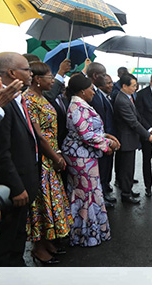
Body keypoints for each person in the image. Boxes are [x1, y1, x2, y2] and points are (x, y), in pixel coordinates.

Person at [23, 62, 74, 264]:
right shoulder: (29, 99)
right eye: (50, 77)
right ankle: (38, 248)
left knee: (51, 202)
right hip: (42, 158)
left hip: (51, 156)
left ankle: (48, 241)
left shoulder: (41, 96)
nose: (53, 80)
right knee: (41, 203)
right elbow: (38, 135)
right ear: (37, 79)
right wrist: (55, 156)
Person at [61, 73, 118, 247]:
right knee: (86, 194)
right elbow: (86, 134)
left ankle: (87, 233)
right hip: (80, 156)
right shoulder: (77, 107)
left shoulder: (81, 104)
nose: (93, 92)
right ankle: (85, 236)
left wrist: (105, 136)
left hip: (84, 155)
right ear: (82, 91)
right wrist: (108, 144)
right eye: (90, 89)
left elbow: (89, 130)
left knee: (88, 192)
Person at [0, 53, 40, 266]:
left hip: (25, 183)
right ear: (12, 73)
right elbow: (2, 152)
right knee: (8, 243)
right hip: (16, 189)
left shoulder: (17, 100)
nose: (31, 73)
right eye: (27, 69)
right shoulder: (2, 105)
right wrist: (16, 188)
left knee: (19, 236)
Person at [113, 73, 152, 204]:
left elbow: (138, 117)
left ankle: (128, 189)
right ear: (124, 86)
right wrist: (148, 136)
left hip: (130, 139)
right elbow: (133, 122)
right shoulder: (122, 101)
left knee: (128, 168)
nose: (135, 88)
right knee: (127, 168)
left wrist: (149, 130)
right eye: (133, 86)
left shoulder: (129, 97)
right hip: (126, 139)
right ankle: (126, 195)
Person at [85, 62, 117, 207]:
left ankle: (103, 194)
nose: (105, 78)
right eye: (103, 75)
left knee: (104, 170)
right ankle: (100, 199)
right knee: (99, 171)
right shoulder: (89, 94)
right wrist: (103, 141)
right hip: (98, 140)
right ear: (95, 75)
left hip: (105, 138)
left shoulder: (98, 93)